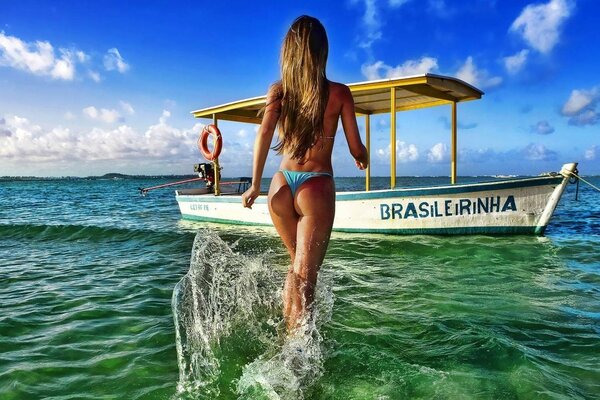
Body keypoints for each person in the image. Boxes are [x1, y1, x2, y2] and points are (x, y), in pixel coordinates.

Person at [242, 15, 368, 332]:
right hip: (315, 186)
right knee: (307, 278)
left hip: (280, 185)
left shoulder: (278, 93)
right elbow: (356, 146)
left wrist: (255, 184)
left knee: (295, 267)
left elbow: (264, 136)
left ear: (289, 53)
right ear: (322, 52)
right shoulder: (339, 93)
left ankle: (287, 334)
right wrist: (361, 156)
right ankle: (300, 356)